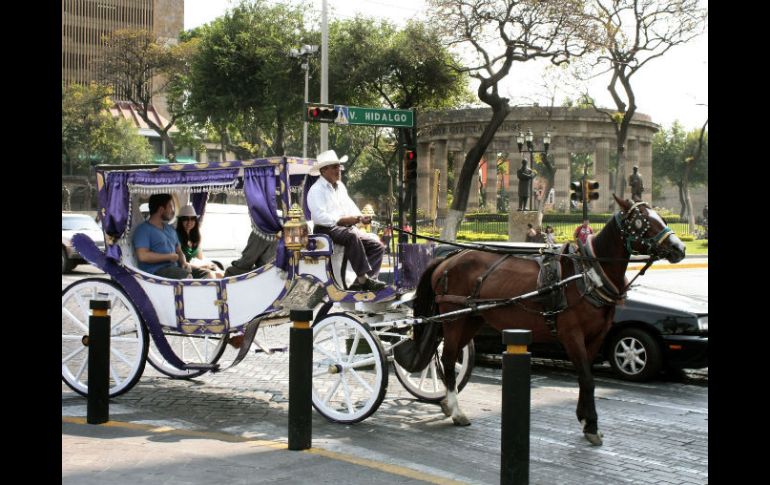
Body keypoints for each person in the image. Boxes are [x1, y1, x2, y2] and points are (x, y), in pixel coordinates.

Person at [306, 149, 386, 292]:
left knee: (377, 246)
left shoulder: (340, 187)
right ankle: (363, 279)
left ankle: (366, 282)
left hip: (344, 228)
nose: (339, 170)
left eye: (339, 166)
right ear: (324, 170)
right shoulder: (316, 190)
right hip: (326, 229)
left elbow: (351, 207)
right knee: (352, 236)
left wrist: (361, 218)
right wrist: (342, 220)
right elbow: (319, 217)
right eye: (335, 167)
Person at [132, 193, 192, 279]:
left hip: (176, 268)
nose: (173, 211)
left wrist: (184, 263)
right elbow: (142, 256)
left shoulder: (170, 229)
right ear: (161, 210)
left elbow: (179, 251)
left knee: (209, 274)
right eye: (170, 206)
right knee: (187, 277)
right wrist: (169, 257)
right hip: (156, 273)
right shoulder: (143, 230)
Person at [175, 205, 224, 279]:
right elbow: (180, 263)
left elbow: (200, 257)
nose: (189, 222)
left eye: (192, 219)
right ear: (180, 221)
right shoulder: (176, 236)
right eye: (185, 219)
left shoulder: (196, 236)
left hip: (196, 266)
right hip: (184, 269)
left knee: (221, 274)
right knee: (211, 275)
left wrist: (211, 265)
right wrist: (203, 266)